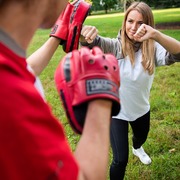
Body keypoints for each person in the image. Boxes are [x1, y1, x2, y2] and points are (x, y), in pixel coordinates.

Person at [0, 0, 120, 180]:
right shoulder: (11, 99)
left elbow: (23, 70)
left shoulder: (8, 67)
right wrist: (101, 100)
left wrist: (57, 36)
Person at [80, 1, 180, 179]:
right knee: (120, 160)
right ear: (124, 22)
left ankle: (137, 147)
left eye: (140, 23)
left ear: (148, 25)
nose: (134, 27)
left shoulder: (153, 50)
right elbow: (91, 44)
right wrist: (84, 36)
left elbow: (178, 53)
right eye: (130, 21)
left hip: (141, 109)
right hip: (115, 112)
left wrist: (155, 35)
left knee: (140, 137)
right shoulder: (113, 47)